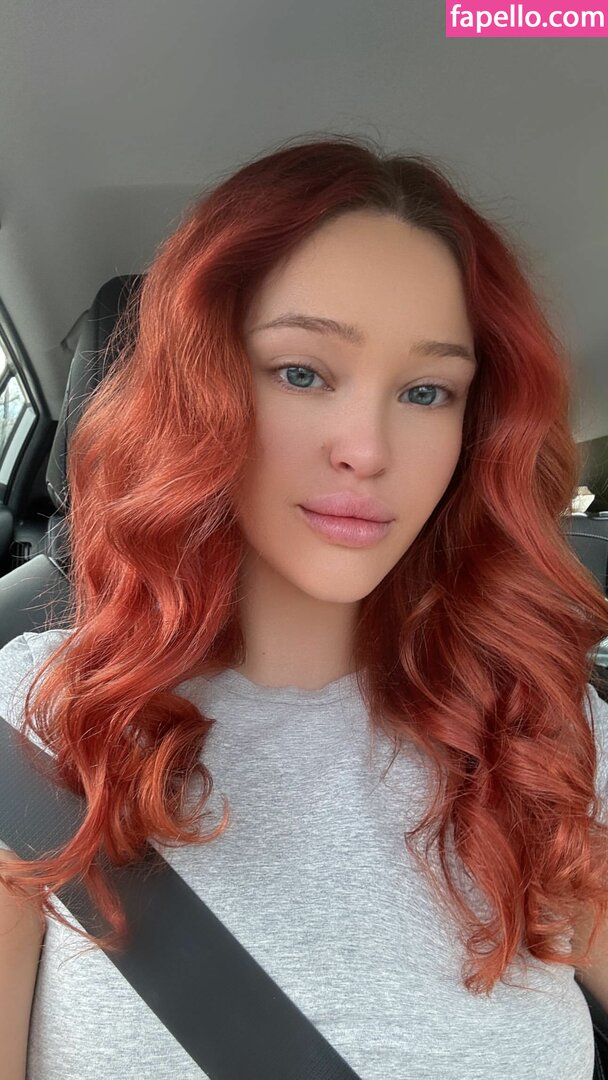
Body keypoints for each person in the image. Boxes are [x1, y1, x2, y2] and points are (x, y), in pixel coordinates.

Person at [1, 133, 608, 1080]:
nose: (367, 448)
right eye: (302, 372)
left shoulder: (548, 730)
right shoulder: (42, 720)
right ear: (199, 391)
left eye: (426, 390)